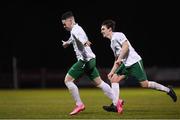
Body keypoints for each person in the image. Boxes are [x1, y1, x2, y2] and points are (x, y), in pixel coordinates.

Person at [100, 19, 177, 112]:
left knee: (145, 84)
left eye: (103, 29)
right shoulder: (112, 43)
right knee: (114, 79)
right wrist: (112, 72)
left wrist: (120, 58)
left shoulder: (118, 35)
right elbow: (116, 59)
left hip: (134, 62)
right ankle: (115, 104)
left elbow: (126, 46)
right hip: (125, 64)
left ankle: (168, 90)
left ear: (110, 29)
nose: (101, 31)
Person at [61, 11, 123, 115]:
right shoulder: (76, 29)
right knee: (99, 83)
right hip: (91, 60)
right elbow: (73, 38)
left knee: (68, 80)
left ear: (70, 21)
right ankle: (117, 101)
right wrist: (67, 43)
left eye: (64, 23)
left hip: (84, 60)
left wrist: (85, 42)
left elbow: (81, 38)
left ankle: (79, 104)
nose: (63, 26)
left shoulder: (76, 30)